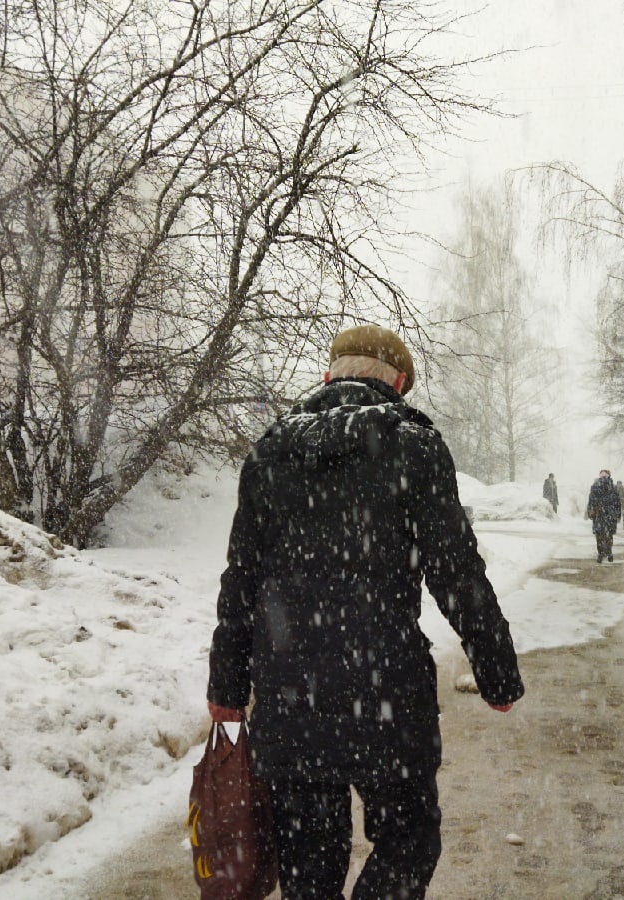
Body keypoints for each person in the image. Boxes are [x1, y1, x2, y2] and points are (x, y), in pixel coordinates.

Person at [208, 324, 524, 900]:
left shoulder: (271, 450)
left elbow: (241, 581)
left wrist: (226, 687)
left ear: (331, 372)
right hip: (387, 695)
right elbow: (456, 573)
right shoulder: (414, 445)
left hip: (289, 693)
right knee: (409, 840)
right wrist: (496, 669)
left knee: (308, 867)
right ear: (399, 381)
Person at [586, 470, 622, 563]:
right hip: (610, 514)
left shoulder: (595, 486)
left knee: (599, 535)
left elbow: (591, 500)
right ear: (609, 476)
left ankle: (600, 553)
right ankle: (609, 552)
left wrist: (590, 511)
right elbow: (617, 502)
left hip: (599, 514)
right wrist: (618, 514)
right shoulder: (613, 487)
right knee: (609, 534)